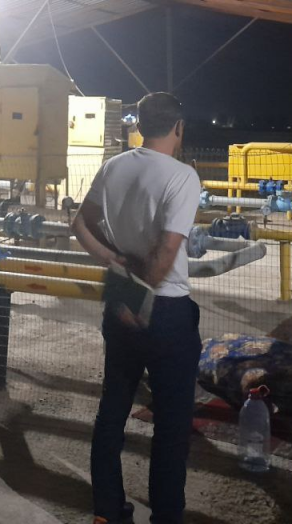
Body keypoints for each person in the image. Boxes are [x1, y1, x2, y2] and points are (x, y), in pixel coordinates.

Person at [71, 92, 202, 524]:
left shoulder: (114, 166)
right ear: (178, 128)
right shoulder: (182, 177)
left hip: (119, 299)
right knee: (171, 425)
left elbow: (80, 223)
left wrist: (115, 263)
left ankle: (107, 511)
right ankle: (166, 516)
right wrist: (142, 295)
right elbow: (164, 259)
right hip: (165, 311)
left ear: (141, 126)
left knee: (113, 411)